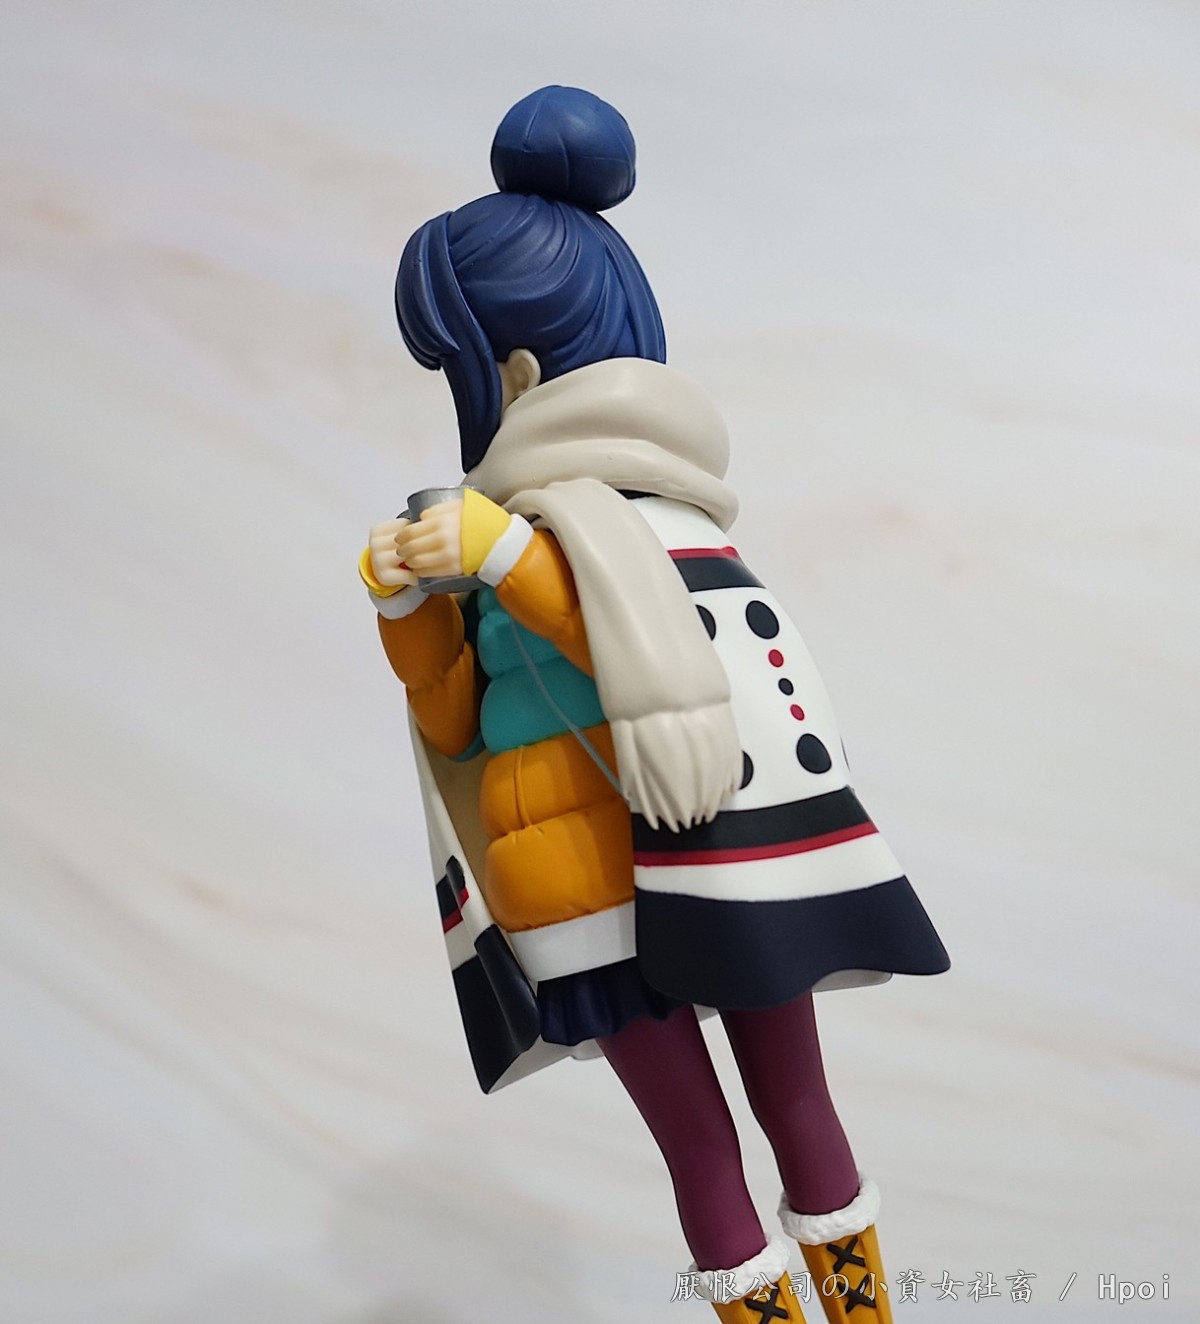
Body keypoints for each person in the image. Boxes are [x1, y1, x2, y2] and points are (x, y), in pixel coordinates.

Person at [360, 85, 950, 1323]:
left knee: (798, 1109)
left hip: (712, 859)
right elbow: (458, 729)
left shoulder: (637, 518)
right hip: (570, 884)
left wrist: (499, 554)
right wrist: (410, 609)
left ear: (512, 371)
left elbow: (652, 640)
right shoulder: (501, 533)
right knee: (698, 1154)